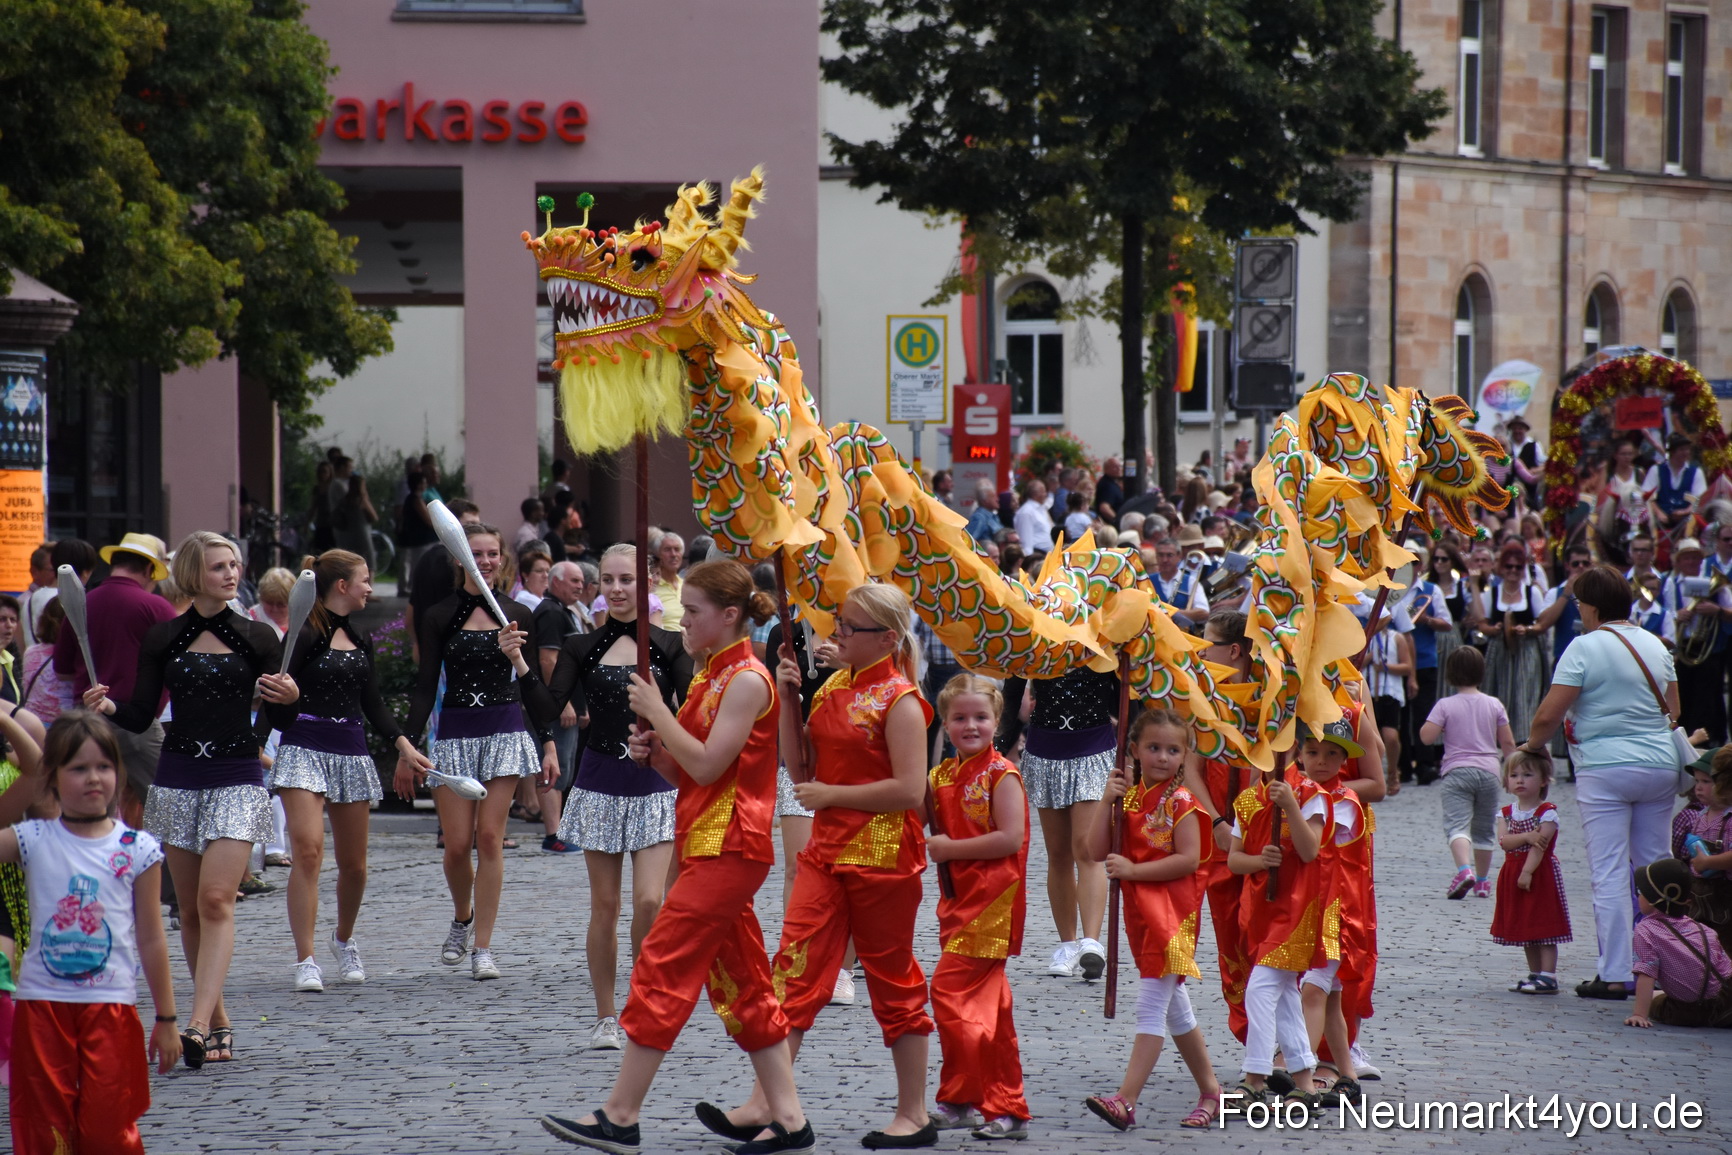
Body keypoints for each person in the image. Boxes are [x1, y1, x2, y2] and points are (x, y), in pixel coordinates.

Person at [540, 560, 810, 1155]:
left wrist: (660, 714)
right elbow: (690, 767)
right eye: (682, 610)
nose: (681, 621)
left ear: (729, 616)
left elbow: (712, 765)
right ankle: (788, 1117)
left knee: (662, 959)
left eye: (692, 612)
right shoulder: (711, 676)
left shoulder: (746, 679)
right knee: (743, 981)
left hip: (733, 843)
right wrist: (654, 753)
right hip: (703, 839)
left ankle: (620, 1112)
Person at [705, 584, 935, 1149]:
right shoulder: (833, 684)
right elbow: (800, 761)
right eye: (838, 624)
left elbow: (909, 790)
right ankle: (771, 1104)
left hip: (882, 858)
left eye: (849, 629)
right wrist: (787, 699)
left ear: (886, 637)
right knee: (793, 967)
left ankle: (914, 1113)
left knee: (892, 978)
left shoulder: (902, 700)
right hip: (827, 852)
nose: (837, 636)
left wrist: (832, 794)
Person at [82, 532, 297, 1066]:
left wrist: (291, 699)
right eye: (221, 566)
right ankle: (219, 1018)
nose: (232, 574)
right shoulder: (164, 636)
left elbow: (280, 718)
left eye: (236, 564)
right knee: (191, 907)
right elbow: (140, 713)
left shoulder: (258, 637)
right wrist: (106, 708)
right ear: (196, 573)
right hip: (177, 776)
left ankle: (196, 1024)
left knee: (217, 899)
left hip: (237, 774)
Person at [0, 711, 180, 1151]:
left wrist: (168, 1018)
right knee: (45, 1129)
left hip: (111, 1011)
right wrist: (5, 722)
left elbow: (152, 937)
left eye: (104, 766)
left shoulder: (137, 849)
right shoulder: (32, 839)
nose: (93, 778)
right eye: (78, 768)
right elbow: (28, 765)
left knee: (109, 1128)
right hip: (43, 1010)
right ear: (53, 777)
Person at [396, 521, 557, 981]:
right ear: (460, 559)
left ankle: (482, 947)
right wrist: (406, 742)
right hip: (454, 734)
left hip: (504, 729)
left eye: (492, 554)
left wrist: (546, 741)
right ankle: (462, 916)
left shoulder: (516, 615)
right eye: (477, 553)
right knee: (457, 845)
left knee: (490, 838)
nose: (485, 561)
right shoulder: (439, 615)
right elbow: (426, 686)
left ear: (503, 559)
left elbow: (532, 688)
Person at [543, 544, 689, 1048]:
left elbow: (694, 716)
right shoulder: (580, 646)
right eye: (609, 580)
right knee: (605, 905)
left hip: (653, 784)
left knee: (650, 900)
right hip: (600, 781)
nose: (618, 588)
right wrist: (518, 661)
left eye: (628, 579)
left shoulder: (671, 645)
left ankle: (642, 1000)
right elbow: (548, 706)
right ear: (597, 586)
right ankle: (606, 1015)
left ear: (646, 583)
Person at [275, 550, 432, 992]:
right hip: (304, 745)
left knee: (355, 866)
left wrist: (404, 744)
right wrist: (252, 745)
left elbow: (373, 703)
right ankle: (305, 958)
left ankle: (343, 939)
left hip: (350, 749)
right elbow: (277, 694)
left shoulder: (361, 639)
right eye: (365, 580)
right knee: (307, 850)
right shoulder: (304, 635)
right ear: (341, 585)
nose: (370, 587)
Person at [1521, 564, 1679, 1001]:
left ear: (1591, 606)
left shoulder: (1584, 647)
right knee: (1654, 865)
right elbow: (1674, 709)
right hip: (1659, 765)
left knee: (1609, 871)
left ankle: (1615, 972)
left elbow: (1549, 715)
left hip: (1605, 767)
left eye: (1579, 603)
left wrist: (1533, 745)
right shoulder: (1655, 644)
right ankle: (1662, 967)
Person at [1083, 708, 1221, 1132]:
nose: (1163, 757)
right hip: (1142, 916)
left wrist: (1133, 872)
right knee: (1176, 1010)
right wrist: (1106, 800)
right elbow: (1093, 850)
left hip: (1172, 918)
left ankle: (1126, 1100)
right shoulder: (1127, 796)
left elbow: (1189, 859)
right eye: (1154, 748)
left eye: (1173, 750)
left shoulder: (1182, 802)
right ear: (1135, 750)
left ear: (1185, 756)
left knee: (1150, 1007)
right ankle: (1212, 1093)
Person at [925, 675, 1031, 1141]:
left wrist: (951, 848)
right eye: (960, 718)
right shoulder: (941, 776)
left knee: (952, 996)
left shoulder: (1002, 774)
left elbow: (1009, 838)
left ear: (997, 721)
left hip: (993, 903)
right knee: (993, 1009)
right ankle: (970, 1099)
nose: (971, 726)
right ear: (945, 723)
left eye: (981, 718)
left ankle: (996, 1101)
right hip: (958, 903)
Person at [1227, 721, 1346, 1103]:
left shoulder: (1310, 794)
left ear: (1289, 751)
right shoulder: (1246, 801)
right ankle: (1305, 1081)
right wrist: (1259, 860)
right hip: (1260, 911)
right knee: (1284, 996)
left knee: (1260, 989)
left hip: (1298, 909)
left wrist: (1290, 805)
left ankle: (1256, 1076)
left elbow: (1310, 849)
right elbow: (1233, 861)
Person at [52, 534, 178, 830]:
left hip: (88, 721)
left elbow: (62, 670)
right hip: (138, 724)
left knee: (95, 815)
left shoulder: (82, 603)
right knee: (171, 811)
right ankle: (167, 877)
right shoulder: (155, 607)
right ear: (149, 570)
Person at [1002, 664, 1117, 981]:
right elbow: (1012, 691)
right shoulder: (1037, 634)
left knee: (1086, 847)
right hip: (1045, 746)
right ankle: (1068, 945)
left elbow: (1124, 693)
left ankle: (1091, 943)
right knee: (1059, 853)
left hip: (1094, 745)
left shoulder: (1103, 631)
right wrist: (1000, 745)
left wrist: (1134, 746)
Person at [1294, 717, 1371, 1107]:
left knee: (1312, 989)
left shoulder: (1342, 802)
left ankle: (1302, 1077)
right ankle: (1349, 1074)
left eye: (1330, 754)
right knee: (1330, 998)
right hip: (1312, 907)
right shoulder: (1304, 796)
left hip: (1336, 914)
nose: (1320, 761)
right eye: (1311, 752)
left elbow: (1314, 845)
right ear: (1299, 755)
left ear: (1344, 760)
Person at [1419, 647, 1515, 899]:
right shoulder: (1494, 704)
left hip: (1457, 771)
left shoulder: (1445, 705)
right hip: (1490, 772)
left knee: (1457, 825)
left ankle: (1464, 871)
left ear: (1449, 674)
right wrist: (1510, 772)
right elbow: (1507, 743)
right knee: (1484, 829)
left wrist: (1440, 725)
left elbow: (1426, 738)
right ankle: (1483, 882)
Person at [1487, 749, 1571, 994]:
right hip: (1512, 871)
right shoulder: (1506, 813)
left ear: (1544, 780)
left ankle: (1548, 974)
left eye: (1527, 774)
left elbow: (1540, 846)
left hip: (1539, 874)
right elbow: (1504, 841)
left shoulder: (1547, 813)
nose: (1520, 780)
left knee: (1543, 924)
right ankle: (1535, 973)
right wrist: (1525, 836)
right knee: (1526, 925)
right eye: (1514, 775)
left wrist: (1527, 871)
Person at [1623, 857, 1732, 1028]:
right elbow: (1726, 970)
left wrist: (1639, 1014)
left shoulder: (1646, 930)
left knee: (1655, 999)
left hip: (1688, 1012)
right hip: (1726, 1003)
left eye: (1640, 891)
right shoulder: (1702, 929)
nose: (1638, 896)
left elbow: (1647, 973)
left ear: (1654, 898)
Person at [531, 561, 587, 855]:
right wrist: (562, 702)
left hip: (570, 706)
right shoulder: (551, 612)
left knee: (564, 768)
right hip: (555, 707)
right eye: (574, 580)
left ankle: (559, 829)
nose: (581, 585)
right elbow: (548, 660)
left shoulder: (564, 610)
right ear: (555, 583)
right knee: (554, 767)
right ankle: (553, 833)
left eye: (582, 581)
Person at [1476, 542, 1552, 745]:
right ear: (1501, 568)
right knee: (1500, 695)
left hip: (1526, 650)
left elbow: (1541, 623)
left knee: (1525, 697)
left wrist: (1526, 629)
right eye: (1508, 566)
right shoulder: (1491, 594)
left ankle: (1526, 743)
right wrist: (1495, 629)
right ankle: (1505, 743)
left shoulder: (1532, 593)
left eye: (1518, 567)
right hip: (1499, 651)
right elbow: (1482, 624)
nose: (1513, 571)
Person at [404, 497, 480, 663]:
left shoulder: (425, 558)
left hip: (429, 654)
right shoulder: (457, 564)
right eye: (470, 525)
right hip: (453, 657)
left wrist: (417, 644)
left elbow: (409, 615)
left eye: (477, 525)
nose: (476, 531)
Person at [1402, 559, 1454, 784]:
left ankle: (1424, 765)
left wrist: (1427, 620)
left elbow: (1447, 623)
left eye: (1413, 561)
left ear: (1420, 566)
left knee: (1424, 715)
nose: (1408, 566)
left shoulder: (1432, 591)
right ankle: (1403, 766)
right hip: (1399, 660)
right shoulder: (1390, 590)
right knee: (1400, 716)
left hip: (1424, 660)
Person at [1645, 433, 1705, 538]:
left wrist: (1685, 512)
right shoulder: (1656, 470)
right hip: (1662, 518)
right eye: (1682, 449)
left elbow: (1699, 499)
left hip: (1686, 519)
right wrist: (1659, 513)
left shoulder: (1696, 472)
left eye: (1687, 449)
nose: (1686, 452)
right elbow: (1648, 496)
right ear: (1672, 451)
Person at [1149, 538, 1210, 628]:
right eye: (1160, 555)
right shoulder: (1148, 580)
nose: (1165, 560)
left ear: (1179, 556)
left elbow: (1204, 612)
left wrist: (1170, 613)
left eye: (1169, 555)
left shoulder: (1191, 582)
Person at [396, 468, 439, 596]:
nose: (426, 485)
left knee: (415, 564)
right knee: (419, 565)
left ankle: (412, 587)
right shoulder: (416, 500)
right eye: (424, 482)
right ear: (419, 484)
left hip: (416, 539)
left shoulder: (411, 499)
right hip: (421, 539)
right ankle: (414, 588)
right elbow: (428, 520)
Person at [652, 532, 686, 630]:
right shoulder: (652, 588)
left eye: (677, 549)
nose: (673, 554)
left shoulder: (686, 585)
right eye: (667, 550)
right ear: (658, 555)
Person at [1013, 480, 1054, 554]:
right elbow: (1025, 540)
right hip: (1036, 554)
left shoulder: (1041, 509)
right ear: (1035, 494)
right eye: (1043, 491)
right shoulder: (1026, 512)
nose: (1045, 495)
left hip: (1047, 554)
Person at [964, 480, 1003, 545]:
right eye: (993, 496)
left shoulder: (993, 516)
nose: (997, 499)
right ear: (984, 500)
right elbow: (969, 542)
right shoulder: (979, 518)